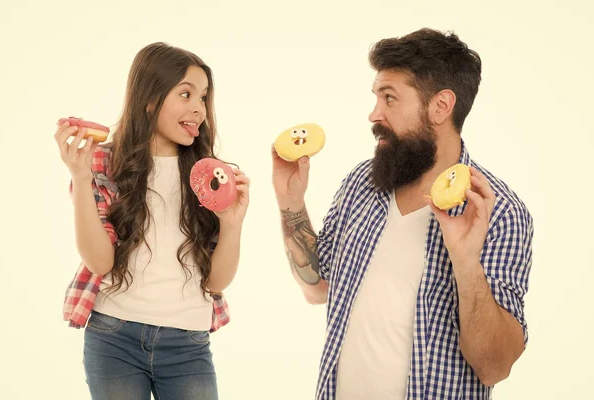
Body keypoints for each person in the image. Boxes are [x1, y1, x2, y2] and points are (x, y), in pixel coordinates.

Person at [272, 28, 533, 399]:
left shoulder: (497, 211)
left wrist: (465, 261)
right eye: (377, 97)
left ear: (441, 106)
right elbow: (318, 289)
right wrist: (290, 202)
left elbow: (494, 366)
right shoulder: (361, 184)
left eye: (390, 98)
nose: (374, 114)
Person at [57, 42, 250, 400]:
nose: (199, 109)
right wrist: (81, 178)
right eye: (186, 94)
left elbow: (217, 281)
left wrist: (232, 222)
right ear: (149, 99)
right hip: (114, 336)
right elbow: (99, 262)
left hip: (187, 343)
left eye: (204, 97)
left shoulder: (211, 177)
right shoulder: (103, 164)